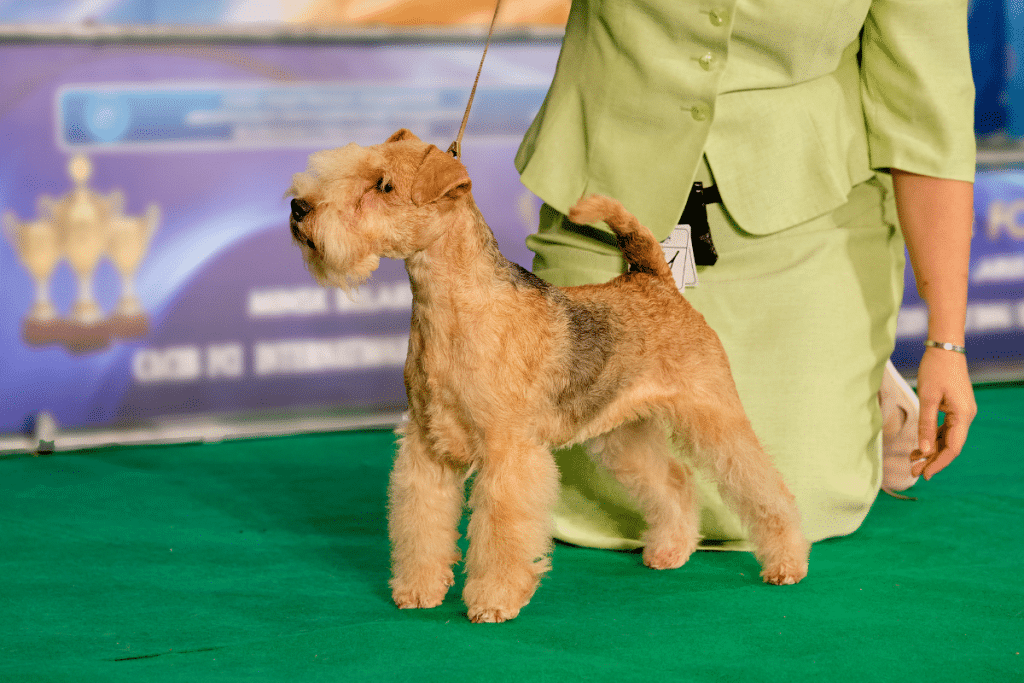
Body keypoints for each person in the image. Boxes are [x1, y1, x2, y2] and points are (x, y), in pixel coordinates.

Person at [515, 0, 979, 550]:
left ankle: (859, 381)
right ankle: (855, 387)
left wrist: (946, 342)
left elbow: (929, 120)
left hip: (804, 207)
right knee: (597, 499)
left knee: (792, 506)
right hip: (608, 192)